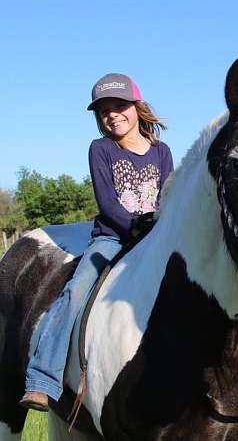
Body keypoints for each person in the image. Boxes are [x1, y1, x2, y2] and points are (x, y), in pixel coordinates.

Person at [20, 73, 174, 411]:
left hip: (157, 235)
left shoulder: (162, 152)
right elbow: (108, 204)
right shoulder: (101, 149)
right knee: (77, 289)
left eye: (119, 106)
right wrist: (137, 229)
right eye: (104, 110)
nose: (112, 114)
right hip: (112, 238)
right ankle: (43, 378)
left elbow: (168, 198)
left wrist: (160, 230)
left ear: (136, 107)